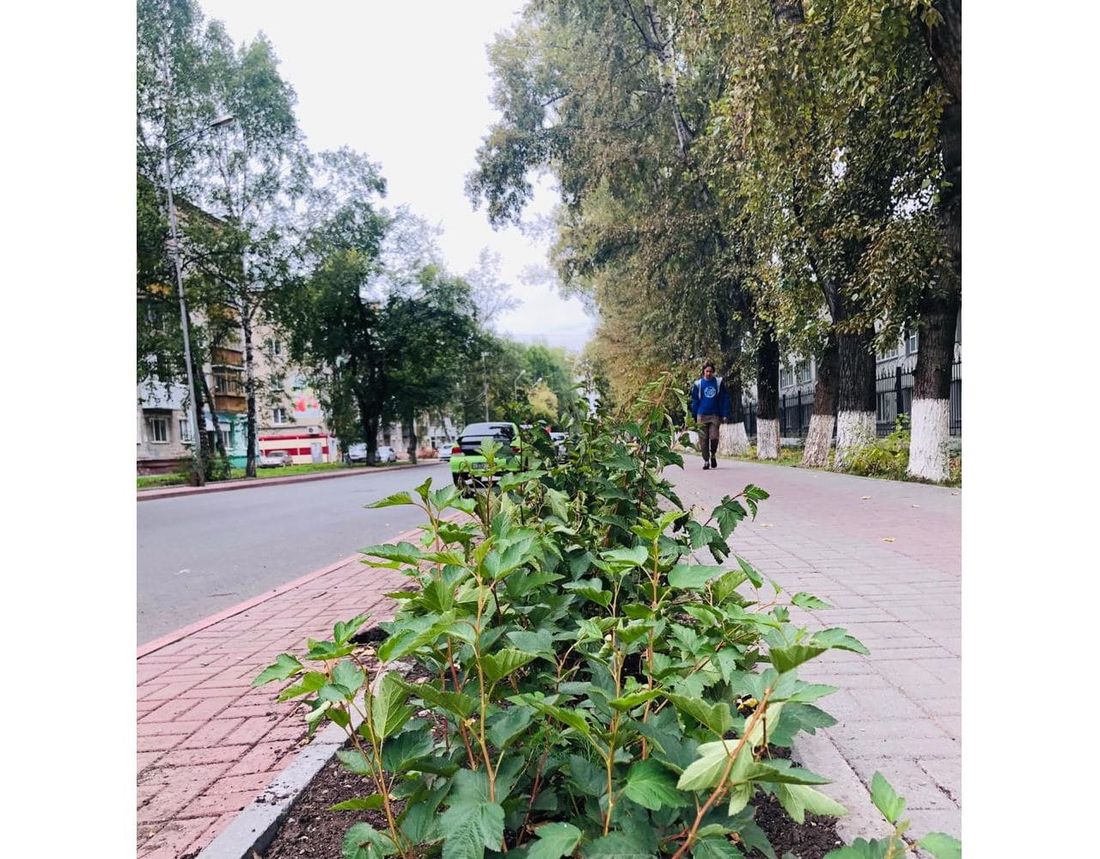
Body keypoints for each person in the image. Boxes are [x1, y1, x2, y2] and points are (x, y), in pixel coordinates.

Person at [689, 361, 730, 470]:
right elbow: (694, 400)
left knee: (714, 437)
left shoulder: (718, 382)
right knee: (703, 440)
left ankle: (713, 454)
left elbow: (724, 398)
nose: (708, 373)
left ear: (713, 372)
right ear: (703, 371)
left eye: (710, 371)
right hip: (701, 415)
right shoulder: (698, 384)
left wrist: (725, 413)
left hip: (715, 415)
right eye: (707, 371)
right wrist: (694, 415)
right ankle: (706, 461)